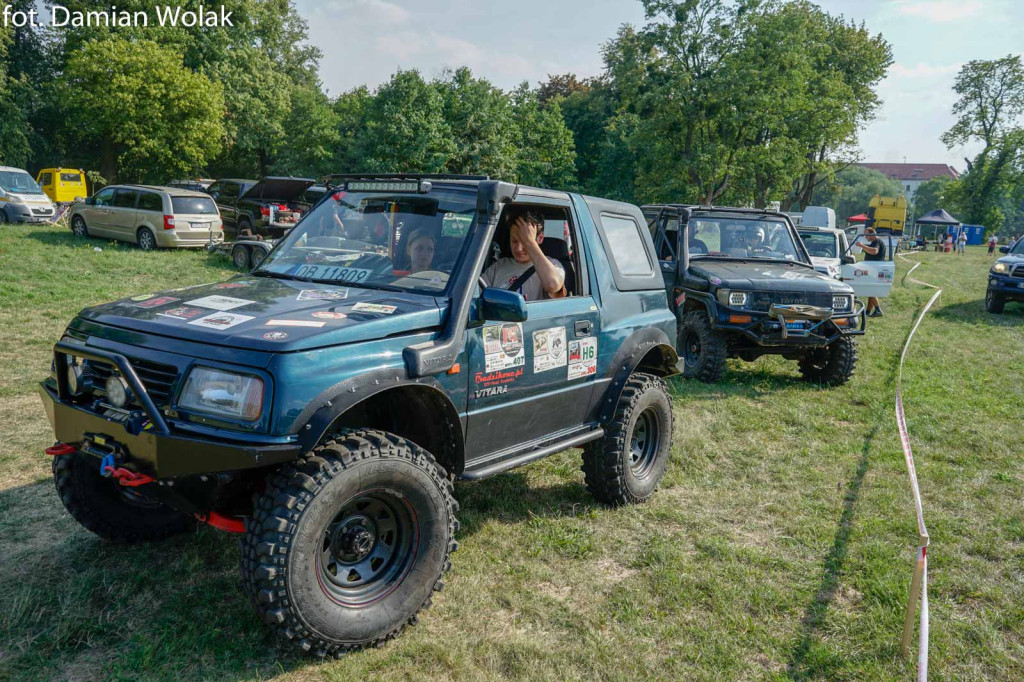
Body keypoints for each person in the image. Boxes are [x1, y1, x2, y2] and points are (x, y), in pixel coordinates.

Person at [481, 208, 565, 301]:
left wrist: (530, 242)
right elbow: (476, 293)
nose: (518, 249)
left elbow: (553, 285)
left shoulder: (552, 265)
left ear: (540, 238)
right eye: (514, 241)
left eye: (524, 242)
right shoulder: (499, 266)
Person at [858, 227, 886, 317]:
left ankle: (878, 309)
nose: (866, 237)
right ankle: (868, 312)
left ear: (872, 234)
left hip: (874, 270)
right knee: (870, 290)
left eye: (866, 235)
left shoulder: (876, 242)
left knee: (870, 289)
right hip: (873, 269)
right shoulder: (875, 242)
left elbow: (874, 251)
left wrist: (862, 246)